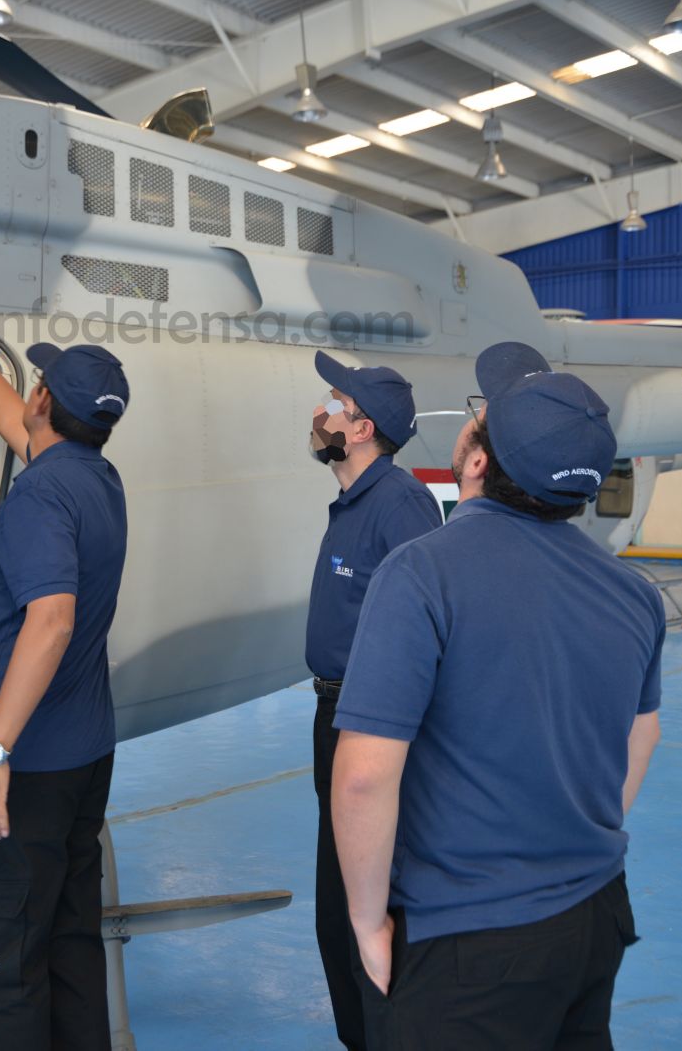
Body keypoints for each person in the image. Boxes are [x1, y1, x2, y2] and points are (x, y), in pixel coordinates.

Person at [331, 342, 665, 1050]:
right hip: (595, 911)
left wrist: (365, 922)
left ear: (478, 460)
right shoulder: (634, 594)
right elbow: (643, 736)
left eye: (481, 417)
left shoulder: (422, 573)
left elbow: (364, 775)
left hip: (471, 942)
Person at [0, 317, 130, 1051]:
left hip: (26, 772)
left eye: (37, 385)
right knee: (66, 947)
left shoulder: (40, 498)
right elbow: (19, 426)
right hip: (84, 761)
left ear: (45, 400)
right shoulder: (93, 478)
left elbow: (50, 622)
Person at [306, 351, 443, 1050]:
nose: (321, 415)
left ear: (360, 428)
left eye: (335, 404)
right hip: (335, 716)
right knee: (338, 909)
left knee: (365, 905)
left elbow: (437, 623)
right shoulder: (355, 500)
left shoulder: (401, 505)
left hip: (373, 725)